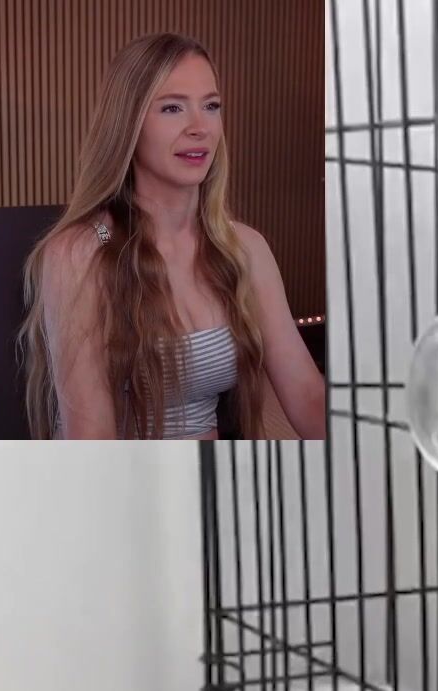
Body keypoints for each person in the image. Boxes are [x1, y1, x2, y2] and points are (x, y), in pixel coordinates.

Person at [18, 33, 326, 440]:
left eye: (211, 106)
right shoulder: (80, 254)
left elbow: (308, 395)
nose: (200, 128)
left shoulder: (245, 248)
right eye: (172, 108)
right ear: (129, 124)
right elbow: (91, 439)